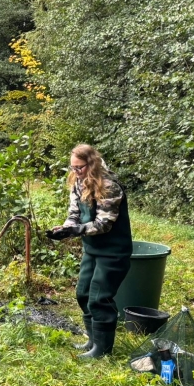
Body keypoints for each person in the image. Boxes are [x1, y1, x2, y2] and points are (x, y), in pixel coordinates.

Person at [47, 144, 132, 358]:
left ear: (91, 164)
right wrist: (66, 228)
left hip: (113, 252)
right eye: (73, 168)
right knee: (83, 293)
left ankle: (102, 350)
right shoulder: (79, 182)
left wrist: (76, 231)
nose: (76, 172)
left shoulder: (109, 186)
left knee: (99, 298)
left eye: (80, 167)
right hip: (92, 250)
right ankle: (93, 341)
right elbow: (74, 212)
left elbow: (103, 224)